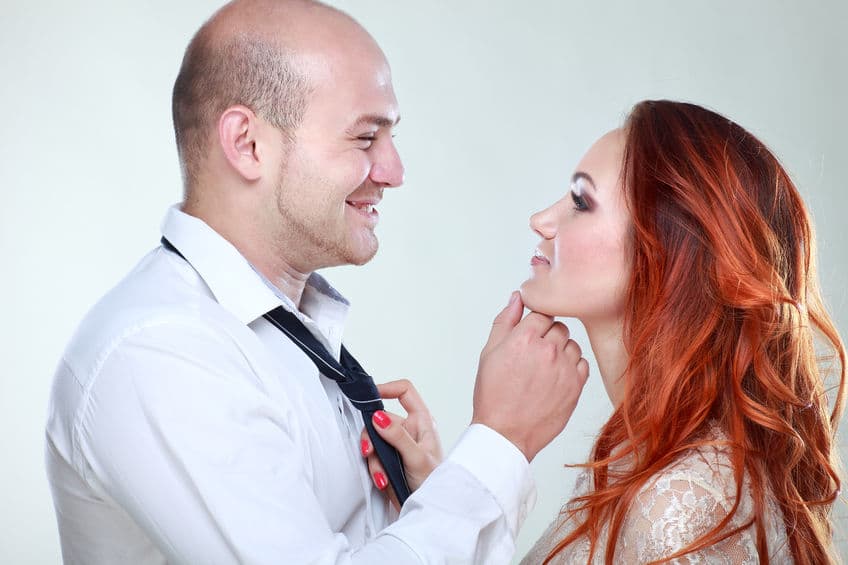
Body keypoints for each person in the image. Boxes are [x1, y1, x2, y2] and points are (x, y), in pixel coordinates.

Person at [44, 1, 590, 563]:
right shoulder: (161, 352)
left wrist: (430, 502)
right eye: (364, 138)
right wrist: (500, 443)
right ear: (248, 145)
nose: (394, 172)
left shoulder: (286, 334)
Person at [512, 100, 845, 563]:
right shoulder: (645, 457)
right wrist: (448, 494)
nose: (541, 221)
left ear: (670, 251)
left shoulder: (676, 503)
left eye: (580, 202)